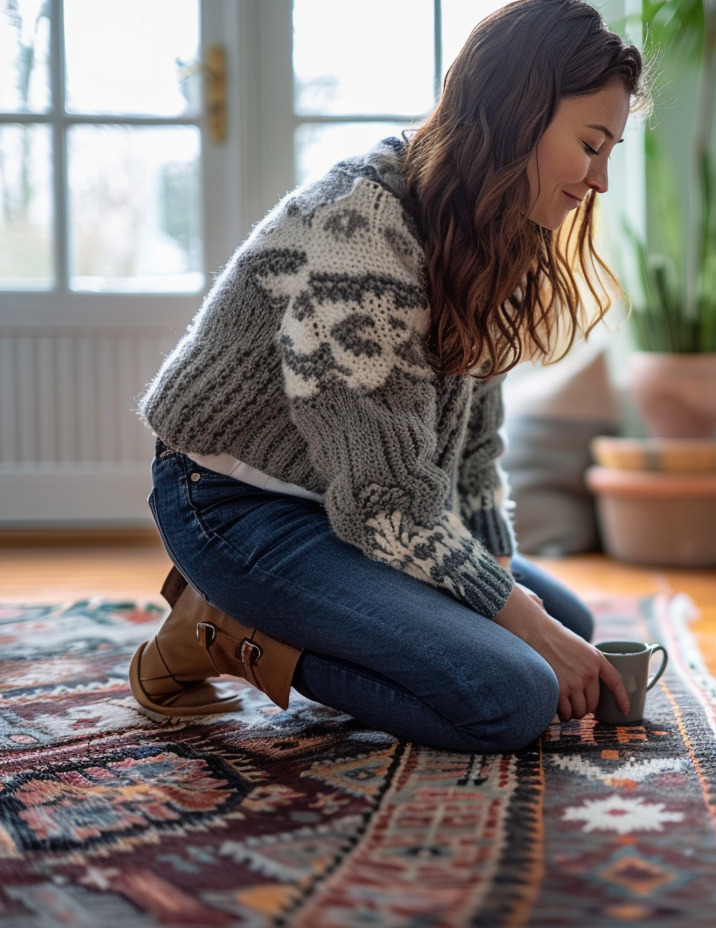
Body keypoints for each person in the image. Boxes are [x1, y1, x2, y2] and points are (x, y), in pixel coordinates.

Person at [129, 0, 645, 754]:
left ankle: (319, 617)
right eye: (591, 145)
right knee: (516, 694)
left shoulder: (499, 225)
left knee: (573, 634)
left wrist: (504, 585)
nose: (599, 180)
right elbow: (387, 506)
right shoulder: (361, 231)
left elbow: (471, 455)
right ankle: (223, 628)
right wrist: (519, 620)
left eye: (611, 152)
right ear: (519, 115)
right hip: (235, 504)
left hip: (352, 506)